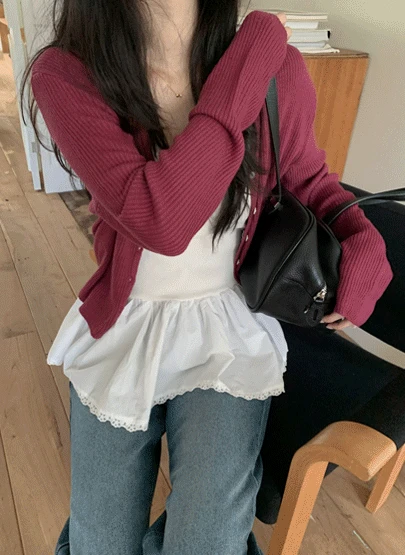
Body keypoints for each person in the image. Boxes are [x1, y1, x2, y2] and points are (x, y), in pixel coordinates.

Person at [21, 1, 393, 554]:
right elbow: (162, 221)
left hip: (227, 328)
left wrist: (362, 239)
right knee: (100, 543)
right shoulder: (68, 73)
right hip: (124, 326)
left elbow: (309, 182)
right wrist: (246, 63)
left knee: (207, 543)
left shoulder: (274, 66)